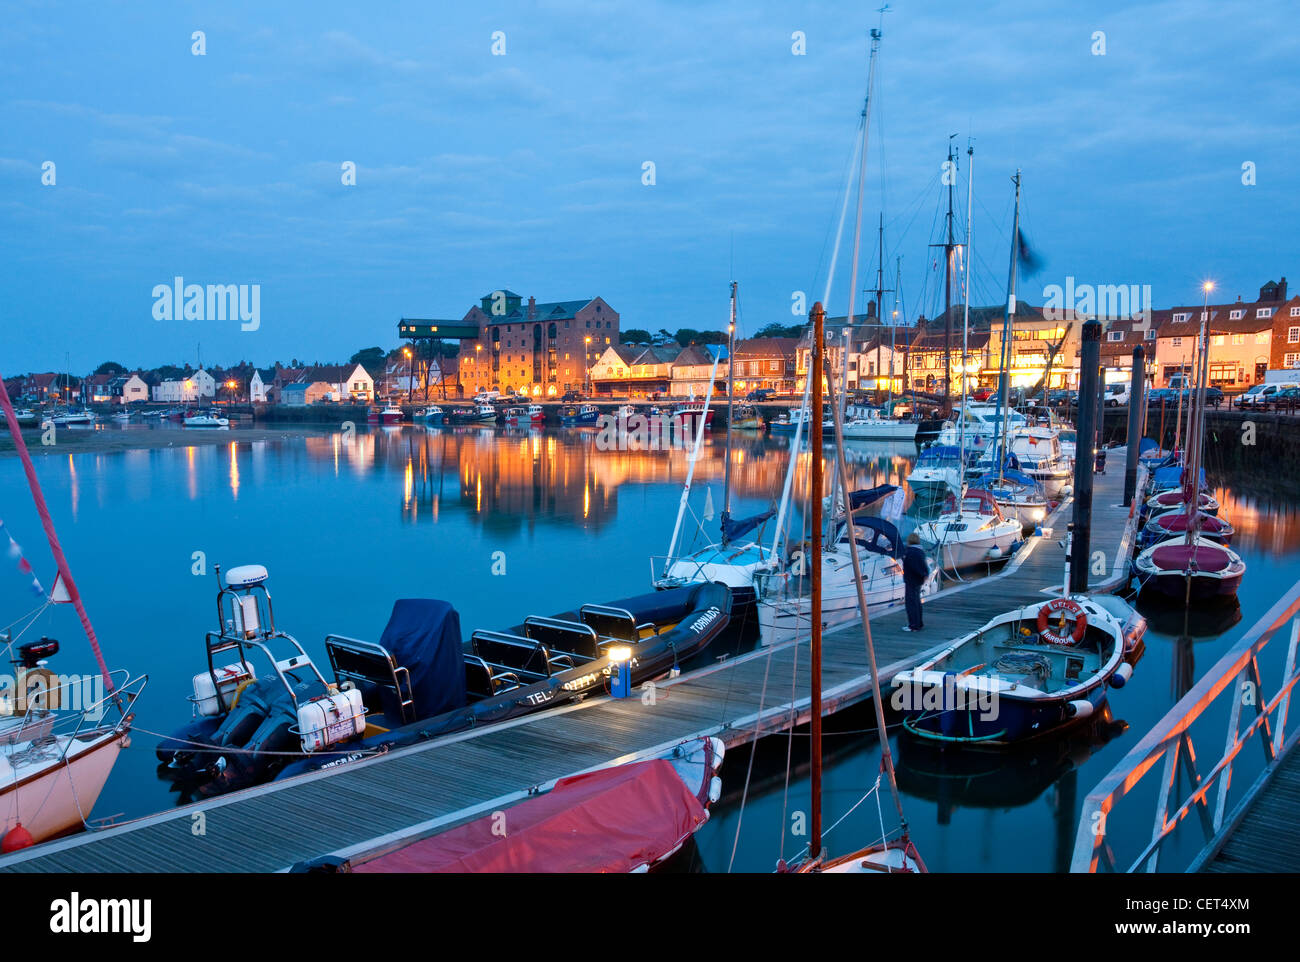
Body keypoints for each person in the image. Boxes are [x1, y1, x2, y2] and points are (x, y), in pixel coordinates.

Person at [902, 532, 928, 632]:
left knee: (911, 603)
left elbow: (914, 566)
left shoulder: (911, 552)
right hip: (918, 580)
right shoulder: (920, 551)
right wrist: (924, 574)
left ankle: (913, 625)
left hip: (911, 580)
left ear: (909, 540)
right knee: (916, 602)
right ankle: (919, 623)